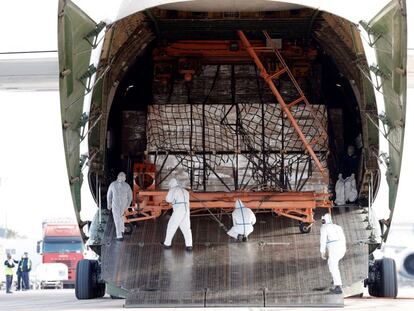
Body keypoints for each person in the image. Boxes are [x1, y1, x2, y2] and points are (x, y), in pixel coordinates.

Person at [161, 178, 193, 251]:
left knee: (171, 226)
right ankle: (189, 245)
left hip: (179, 210)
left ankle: (167, 244)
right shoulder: (185, 191)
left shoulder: (173, 190)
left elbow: (168, 199)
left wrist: (172, 199)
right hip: (186, 210)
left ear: (171, 185)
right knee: (186, 228)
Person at [320, 213, 346, 294]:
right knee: (332, 264)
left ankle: (338, 286)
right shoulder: (338, 227)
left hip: (334, 249)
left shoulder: (324, 227)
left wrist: (322, 251)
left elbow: (323, 240)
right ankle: (335, 280)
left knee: (333, 266)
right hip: (342, 248)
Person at [107, 171, 133, 241]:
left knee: (117, 219)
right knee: (120, 218)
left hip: (116, 205)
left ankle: (119, 235)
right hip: (122, 205)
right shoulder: (127, 186)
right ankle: (121, 231)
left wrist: (109, 204)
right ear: (125, 178)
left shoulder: (112, 184)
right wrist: (128, 205)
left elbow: (109, 195)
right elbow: (130, 196)